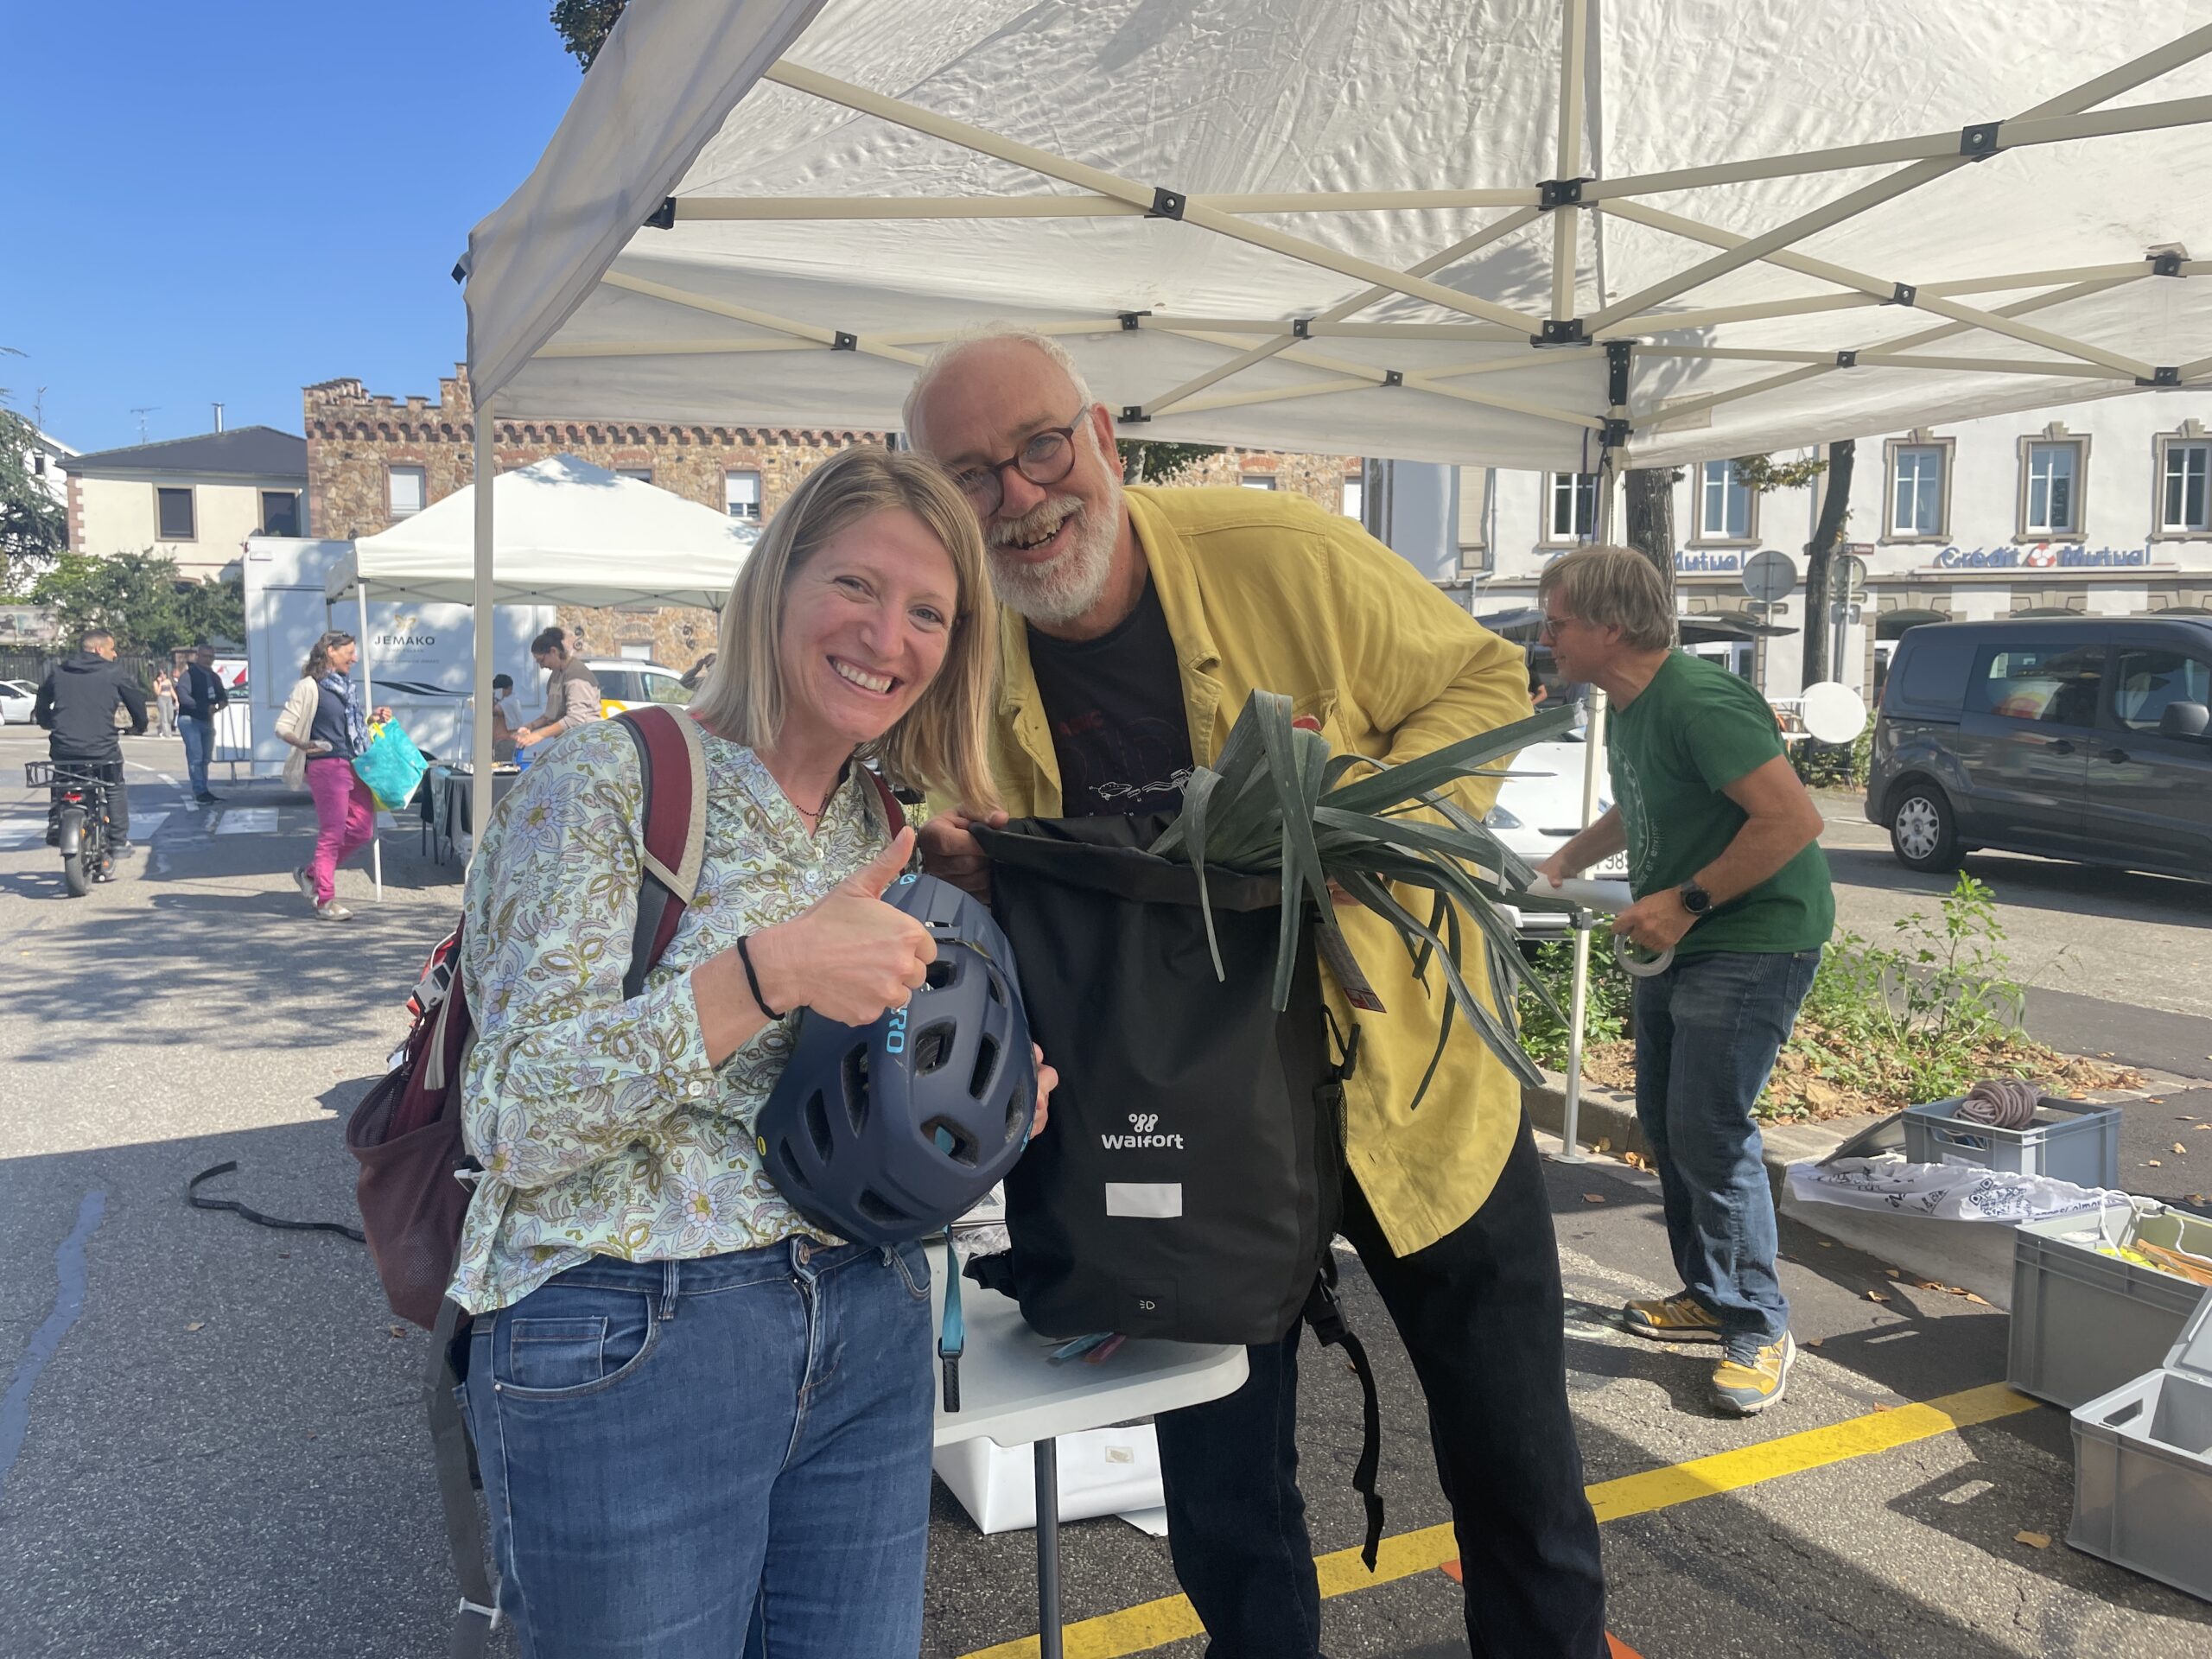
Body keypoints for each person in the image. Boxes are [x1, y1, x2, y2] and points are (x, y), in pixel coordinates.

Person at [906, 329, 1607, 1659]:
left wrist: (1367, 834)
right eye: (972, 477)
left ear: (1101, 437)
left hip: (1410, 1091)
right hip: (1176, 1126)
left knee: (1519, 1474)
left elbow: (1481, 675)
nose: (1021, 497)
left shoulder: (1277, 552)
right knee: (1225, 1500)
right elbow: (944, 835)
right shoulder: (960, 649)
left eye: (1041, 448)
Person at [450, 446, 1054, 1659]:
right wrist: (765, 974)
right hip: (633, 1331)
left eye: (928, 611)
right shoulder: (612, 776)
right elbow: (509, 1118)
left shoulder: (878, 825)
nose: (888, 635)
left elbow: (856, 1096)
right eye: (856, 588)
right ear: (777, 585)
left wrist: (975, 1115)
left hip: (869, 1315)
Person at [1531, 543, 1834, 1416]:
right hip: (1691, 938)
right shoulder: (1632, 706)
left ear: (1609, 625)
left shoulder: (1701, 701)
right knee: (1668, 1123)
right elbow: (1641, 800)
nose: (1546, 637)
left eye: (1557, 623)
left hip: (1752, 939)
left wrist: (1686, 902)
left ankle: (1758, 1327)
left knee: (1707, 1128)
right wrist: (1563, 861)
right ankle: (1709, 1296)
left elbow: (1793, 820)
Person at [281, 631, 391, 923]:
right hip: (326, 765)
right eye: (349, 653)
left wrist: (371, 719)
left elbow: (346, 727)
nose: (354, 658)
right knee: (333, 832)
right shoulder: (309, 686)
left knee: (361, 830)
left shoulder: (344, 687)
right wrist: (306, 745)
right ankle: (324, 900)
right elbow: (283, 726)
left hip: (354, 762)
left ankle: (311, 873)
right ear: (330, 651)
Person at [34, 628, 149, 852]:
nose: (115, 654)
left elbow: (42, 699)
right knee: (114, 787)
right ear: (98, 649)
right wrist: (139, 726)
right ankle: (118, 840)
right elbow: (136, 700)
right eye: (111, 648)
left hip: (64, 745)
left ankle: (56, 822)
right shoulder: (114, 673)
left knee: (62, 780)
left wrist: (46, 721)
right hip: (102, 748)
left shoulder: (59, 671)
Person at [512, 626, 601, 751]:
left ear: (554, 651)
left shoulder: (577, 676)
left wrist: (539, 735)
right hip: (567, 744)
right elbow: (551, 715)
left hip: (585, 746)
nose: (542, 666)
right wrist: (530, 727)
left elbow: (575, 719)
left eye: (542, 660)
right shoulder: (556, 674)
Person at [175, 644, 231, 804]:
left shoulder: (214, 677)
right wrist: (204, 707)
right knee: (196, 757)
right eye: (205, 656)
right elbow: (183, 696)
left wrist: (221, 703)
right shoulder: (189, 675)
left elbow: (221, 695)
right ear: (198, 656)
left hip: (207, 721)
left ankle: (204, 790)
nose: (208, 660)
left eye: (211, 657)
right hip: (190, 720)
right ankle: (200, 791)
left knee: (205, 758)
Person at [489, 672, 523, 762]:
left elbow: (492, 711)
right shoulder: (503, 701)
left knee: (501, 770)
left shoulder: (510, 701)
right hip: (499, 742)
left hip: (505, 742)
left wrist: (491, 696)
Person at [153, 669, 178, 738]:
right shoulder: (156, 683)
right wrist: (160, 683)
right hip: (161, 699)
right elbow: (157, 693)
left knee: (170, 716)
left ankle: (160, 727)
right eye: (162, 675)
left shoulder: (168, 681)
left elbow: (171, 690)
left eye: (164, 674)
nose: (163, 676)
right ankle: (167, 733)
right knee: (164, 716)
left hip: (169, 699)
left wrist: (176, 699)